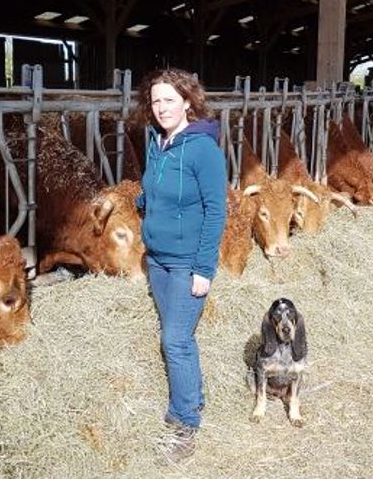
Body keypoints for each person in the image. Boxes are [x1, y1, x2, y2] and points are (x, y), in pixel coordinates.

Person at [134, 68, 227, 462]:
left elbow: (215, 211)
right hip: (158, 259)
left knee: (175, 340)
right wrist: (145, 206)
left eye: (169, 100)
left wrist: (204, 269)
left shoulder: (204, 149)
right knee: (179, 338)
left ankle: (184, 424)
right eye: (156, 101)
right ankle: (195, 397)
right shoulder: (158, 142)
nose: (161, 108)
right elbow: (153, 188)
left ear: (188, 102)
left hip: (188, 261)